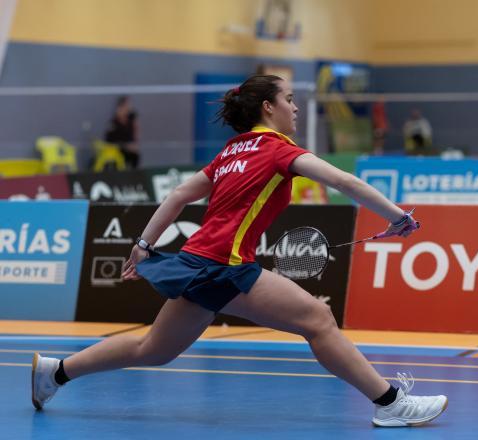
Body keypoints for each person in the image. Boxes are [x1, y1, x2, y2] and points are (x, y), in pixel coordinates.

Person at [31, 75, 448, 427]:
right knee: (318, 320)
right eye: (289, 100)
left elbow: (178, 195)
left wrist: (143, 245)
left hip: (199, 260)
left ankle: (56, 372)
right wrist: (398, 218)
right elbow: (345, 182)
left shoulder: (230, 151)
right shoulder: (279, 150)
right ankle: (391, 403)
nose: (295, 109)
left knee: (153, 350)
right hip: (225, 266)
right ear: (268, 107)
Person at [105, 96, 140, 169]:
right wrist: (125, 145)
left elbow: (134, 134)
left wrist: (133, 144)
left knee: (135, 155)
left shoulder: (131, 120)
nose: (128, 107)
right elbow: (110, 139)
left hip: (128, 148)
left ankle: (133, 175)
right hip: (116, 147)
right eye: (126, 105)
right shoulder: (115, 121)